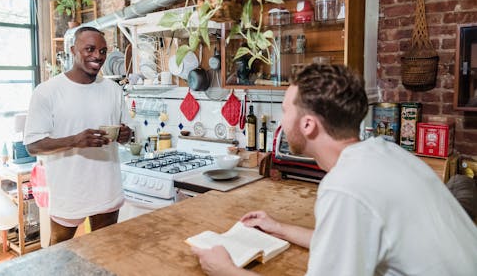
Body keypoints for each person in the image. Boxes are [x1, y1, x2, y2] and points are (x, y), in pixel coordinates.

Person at [192, 64, 477, 276]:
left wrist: (226, 270)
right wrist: (279, 228)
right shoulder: (385, 154)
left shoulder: (346, 185)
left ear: (308, 125)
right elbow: (347, 243)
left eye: (285, 109)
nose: (282, 118)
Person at [24, 26, 132, 245]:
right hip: (69, 191)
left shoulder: (113, 89)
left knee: (106, 252)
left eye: (103, 51)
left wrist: (125, 135)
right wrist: (75, 141)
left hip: (107, 188)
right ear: (73, 50)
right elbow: (33, 145)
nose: (97, 56)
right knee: (59, 255)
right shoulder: (48, 91)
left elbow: (126, 133)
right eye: (89, 49)